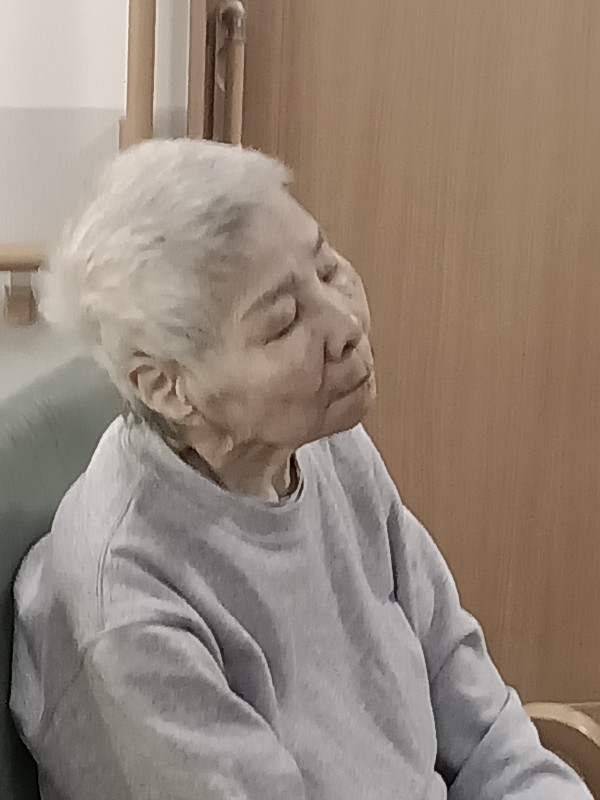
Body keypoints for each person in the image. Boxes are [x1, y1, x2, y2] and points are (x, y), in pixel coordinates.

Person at [10, 139, 591, 800]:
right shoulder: (130, 602)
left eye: (327, 267)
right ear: (169, 388)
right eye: (283, 323)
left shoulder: (325, 446)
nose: (346, 324)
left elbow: (476, 713)